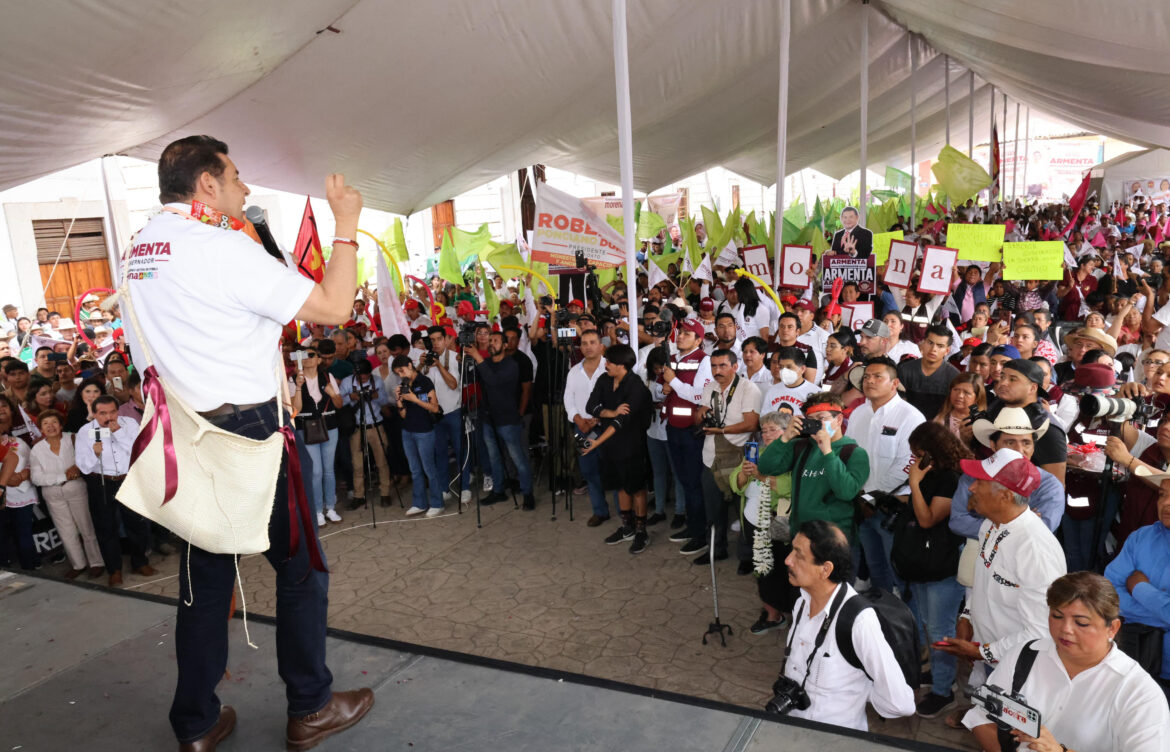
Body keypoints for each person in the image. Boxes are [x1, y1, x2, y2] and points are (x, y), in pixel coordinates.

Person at [124, 137, 372, 749]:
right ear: (206, 184)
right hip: (248, 435)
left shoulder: (139, 250)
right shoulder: (221, 247)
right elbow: (335, 306)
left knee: (203, 588)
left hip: (189, 433)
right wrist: (345, 226)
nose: (246, 188)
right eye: (235, 176)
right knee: (301, 569)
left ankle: (197, 725)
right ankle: (310, 706)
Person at [964, 572, 1170, 752]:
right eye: (1057, 616)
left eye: (1081, 622)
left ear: (1112, 628)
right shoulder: (1024, 655)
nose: (1065, 629)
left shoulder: (1138, 693)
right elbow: (982, 718)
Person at [937, 449, 1067, 673]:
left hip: (1023, 669)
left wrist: (982, 652)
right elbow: (986, 580)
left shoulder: (1034, 550)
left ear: (1005, 496)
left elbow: (1040, 630)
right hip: (995, 659)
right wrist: (967, 617)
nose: (971, 487)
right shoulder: (990, 524)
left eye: (980, 482)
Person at [780, 520, 916, 731]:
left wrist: (860, 692)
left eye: (799, 554)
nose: (788, 560)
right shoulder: (801, 602)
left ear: (825, 569)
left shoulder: (859, 622)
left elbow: (900, 703)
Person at [899, 422, 970, 718]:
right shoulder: (933, 474)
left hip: (942, 565)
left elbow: (928, 519)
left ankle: (943, 692)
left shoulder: (951, 478)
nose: (915, 459)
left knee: (940, 629)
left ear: (932, 451)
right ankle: (940, 676)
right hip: (920, 562)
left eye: (918, 453)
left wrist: (914, 484)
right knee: (925, 623)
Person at [845, 356, 925, 594]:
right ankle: (880, 605)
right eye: (866, 377)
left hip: (892, 508)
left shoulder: (910, 416)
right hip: (860, 504)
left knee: (897, 566)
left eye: (877, 376)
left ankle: (901, 616)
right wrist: (857, 494)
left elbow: (908, 463)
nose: (869, 381)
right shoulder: (859, 413)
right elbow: (848, 452)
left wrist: (872, 497)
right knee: (873, 562)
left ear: (894, 383)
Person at [757, 392, 869, 541]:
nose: (816, 424)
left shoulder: (855, 452)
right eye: (811, 420)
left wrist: (828, 452)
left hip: (834, 536)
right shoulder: (800, 447)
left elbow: (846, 492)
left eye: (821, 418)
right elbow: (766, 468)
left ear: (839, 419)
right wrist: (784, 438)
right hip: (800, 532)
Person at [74, 396, 153, 585]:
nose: (109, 417)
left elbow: (138, 450)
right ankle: (114, 569)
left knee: (137, 523)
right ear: (94, 414)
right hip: (101, 481)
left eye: (112, 412)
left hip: (128, 478)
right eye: (103, 413)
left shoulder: (129, 424)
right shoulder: (85, 432)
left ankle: (140, 562)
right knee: (105, 527)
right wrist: (95, 454)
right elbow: (83, 466)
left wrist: (118, 433)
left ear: (118, 411)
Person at [693, 348, 762, 564]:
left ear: (735, 366)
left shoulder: (748, 388)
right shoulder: (710, 387)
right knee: (713, 511)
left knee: (743, 512)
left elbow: (751, 424)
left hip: (739, 459)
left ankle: (746, 557)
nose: (717, 370)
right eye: (713, 366)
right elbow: (698, 417)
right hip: (710, 458)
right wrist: (700, 416)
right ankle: (716, 550)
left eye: (722, 365)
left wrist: (720, 430)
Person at [582, 344, 653, 553]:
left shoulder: (636, 386)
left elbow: (621, 421)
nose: (606, 365)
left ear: (622, 365)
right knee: (620, 485)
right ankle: (627, 527)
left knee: (637, 488)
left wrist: (597, 440)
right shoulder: (604, 380)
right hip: (611, 446)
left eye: (609, 362)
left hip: (632, 445)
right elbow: (590, 406)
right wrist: (611, 412)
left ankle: (641, 532)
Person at [731, 410, 796, 631]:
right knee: (763, 569)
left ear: (787, 432)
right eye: (764, 430)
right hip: (752, 520)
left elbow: (789, 488)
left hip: (777, 524)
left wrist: (760, 477)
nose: (766, 434)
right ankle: (772, 614)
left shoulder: (793, 455)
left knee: (784, 570)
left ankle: (792, 614)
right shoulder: (756, 451)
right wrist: (744, 475)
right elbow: (735, 483)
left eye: (772, 430)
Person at [1105, 476, 1170, 695]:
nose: (1166, 503)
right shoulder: (1142, 537)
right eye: (1162, 495)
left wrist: (1139, 588)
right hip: (1133, 658)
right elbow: (1110, 593)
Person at [661, 319, 715, 555]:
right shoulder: (672, 359)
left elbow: (699, 396)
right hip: (672, 427)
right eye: (680, 332)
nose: (681, 336)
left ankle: (701, 534)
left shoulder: (704, 360)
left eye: (687, 333)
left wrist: (672, 381)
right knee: (684, 481)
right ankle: (692, 527)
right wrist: (662, 387)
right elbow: (659, 389)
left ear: (698, 339)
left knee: (694, 484)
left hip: (691, 432)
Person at [29, 409, 103, 578]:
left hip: (77, 490)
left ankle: (97, 562)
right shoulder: (37, 449)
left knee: (86, 526)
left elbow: (87, 460)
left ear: (61, 424)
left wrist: (77, 468)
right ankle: (78, 564)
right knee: (66, 531)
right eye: (45, 424)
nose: (50, 426)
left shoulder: (73, 438)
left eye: (54, 422)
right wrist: (63, 476)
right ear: (40, 429)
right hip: (53, 495)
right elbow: (37, 477)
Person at [468, 330, 535, 509]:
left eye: (496, 341)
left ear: (505, 345)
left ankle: (528, 493)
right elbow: (471, 378)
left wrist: (478, 358)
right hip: (488, 418)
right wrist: (468, 361)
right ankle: (498, 491)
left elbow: (494, 381)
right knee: (494, 457)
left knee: (517, 458)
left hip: (507, 419)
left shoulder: (511, 365)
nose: (491, 343)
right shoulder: (486, 362)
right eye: (490, 340)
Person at [289, 345, 343, 527]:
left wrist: (332, 393)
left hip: (329, 425)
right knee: (316, 471)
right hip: (306, 426)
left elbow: (340, 404)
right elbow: (295, 410)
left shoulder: (328, 377)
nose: (307, 358)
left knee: (328, 469)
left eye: (311, 355)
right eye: (303, 355)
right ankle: (318, 510)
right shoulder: (293, 379)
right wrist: (298, 386)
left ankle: (331, 508)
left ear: (319, 360)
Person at [991, 358, 1068, 485]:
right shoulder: (995, 411)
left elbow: (1055, 486)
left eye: (1012, 379)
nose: (1003, 383)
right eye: (1002, 377)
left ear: (1032, 388)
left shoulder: (1048, 428)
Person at [392, 355, 445, 516]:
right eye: (398, 373)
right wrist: (399, 400)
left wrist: (414, 399)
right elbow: (403, 415)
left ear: (410, 365)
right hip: (407, 431)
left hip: (424, 431)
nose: (401, 375)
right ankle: (419, 503)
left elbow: (435, 408)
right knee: (414, 469)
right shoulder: (404, 384)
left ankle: (437, 503)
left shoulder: (425, 382)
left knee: (429, 468)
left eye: (402, 371)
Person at [423, 326, 467, 504]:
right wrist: (421, 364)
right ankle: (443, 488)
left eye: (438, 339)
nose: (435, 343)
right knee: (439, 453)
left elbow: (453, 384)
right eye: (432, 340)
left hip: (453, 411)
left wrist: (439, 365)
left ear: (446, 339)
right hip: (435, 415)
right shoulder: (426, 360)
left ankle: (465, 488)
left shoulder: (455, 359)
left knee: (460, 451)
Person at [343, 359, 393, 507]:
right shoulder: (347, 383)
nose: (363, 379)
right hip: (357, 428)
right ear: (354, 373)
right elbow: (338, 402)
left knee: (382, 461)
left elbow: (385, 401)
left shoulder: (377, 381)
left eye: (366, 376)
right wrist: (350, 397)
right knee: (357, 464)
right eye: (360, 377)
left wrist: (377, 397)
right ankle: (359, 495)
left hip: (375, 425)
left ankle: (385, 493)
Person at [0, 395, 39, 571]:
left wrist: (23, 475)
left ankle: (29, 567)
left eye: (4, 406)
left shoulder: (19, 441)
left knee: (24, 532)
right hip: (4, 494)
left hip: (22, 493)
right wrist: (7, 480)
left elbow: (32, 461)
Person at [896, 324, 959, 420]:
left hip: (938, 429)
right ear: (923, 343)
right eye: (930, 343)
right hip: (906, 423)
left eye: (940, 346)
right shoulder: (905, 370)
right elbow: (898, 404)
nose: (933, 349)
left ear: (947, 351)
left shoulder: (954, 376)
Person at [933, 372, 985, 449]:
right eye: (956, 390)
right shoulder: (941, 419)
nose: (960, 395)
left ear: (977, 398)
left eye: (966, 392)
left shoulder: (981, 423)